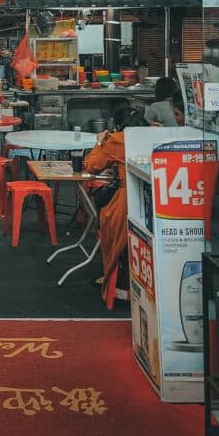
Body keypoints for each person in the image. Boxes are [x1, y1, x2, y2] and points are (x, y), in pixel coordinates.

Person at [83, 106, 150, 310]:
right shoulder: (154, 133)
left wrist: (98, 143)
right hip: (152, 202)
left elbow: (91, 166)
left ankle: (118, 285)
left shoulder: (118, 139)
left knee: (107, 226)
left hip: (127, 202)